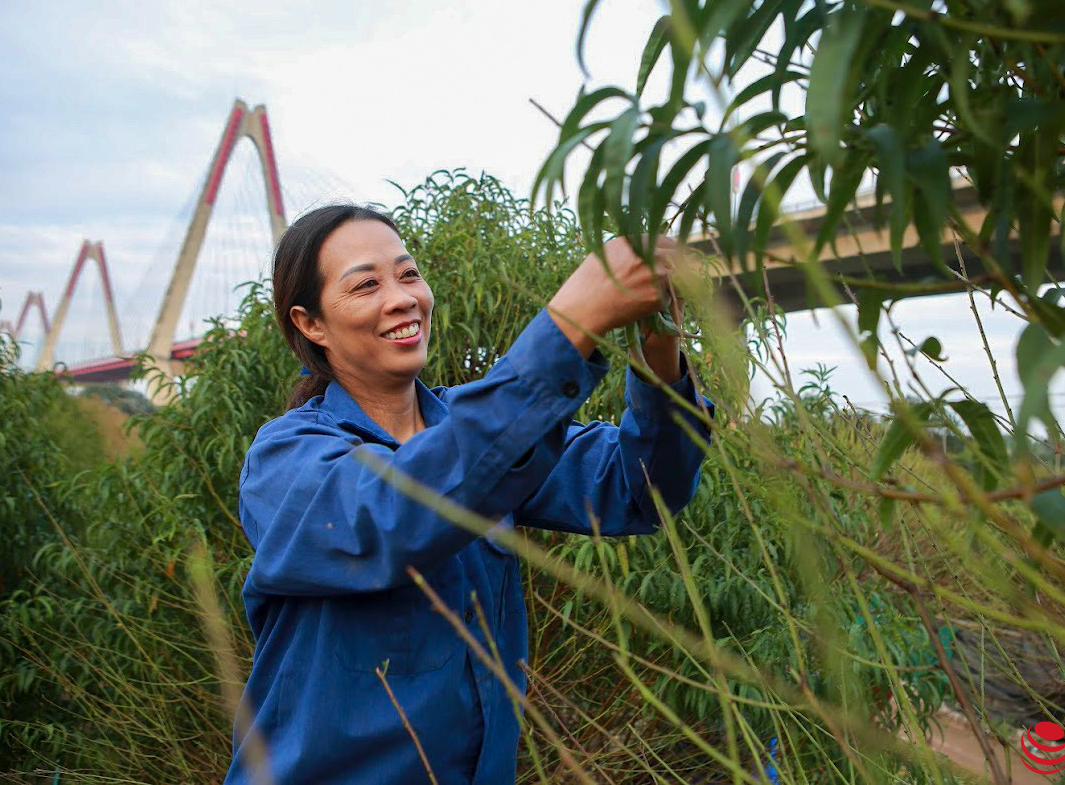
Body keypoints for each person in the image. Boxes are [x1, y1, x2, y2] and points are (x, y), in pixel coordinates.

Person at [224, 204, 715, 785]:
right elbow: (394, 513)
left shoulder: (478, 428)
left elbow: (639, 489)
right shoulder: (286, 459)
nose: (402, 297)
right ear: (311, 324)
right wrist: (570, 322)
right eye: (366, 285)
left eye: (408, 275)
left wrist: (656, 343)